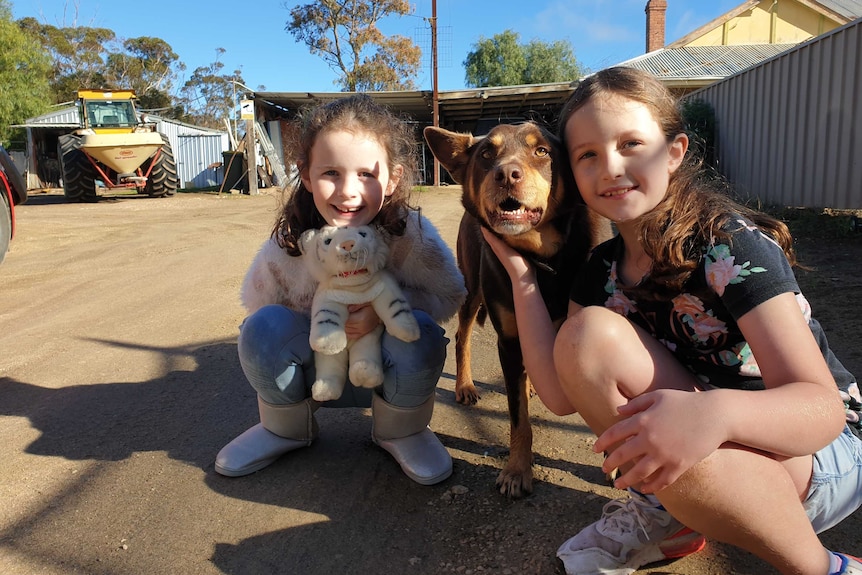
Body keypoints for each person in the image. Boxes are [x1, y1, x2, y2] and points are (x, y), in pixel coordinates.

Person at [481, 66, 862, 575]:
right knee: (586, 337)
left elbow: (822, 408)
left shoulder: (729, 245)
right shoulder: (601, 269)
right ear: (572, 178)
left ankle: (823, 567)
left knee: (672, 422)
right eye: (588, 155)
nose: (611, 166)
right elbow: (556, 394)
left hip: (820, 457)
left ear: (675, 152)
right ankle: (671, 515)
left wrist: (714, 416)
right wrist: (520, 276)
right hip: (709, 441)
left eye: (632, 143)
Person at [215, 94, 466, 486]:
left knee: (422, 332)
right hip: (316, 372)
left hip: (387, 371)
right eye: (331, 172)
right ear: (306, 173)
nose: (348, 191)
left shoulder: (411, 233)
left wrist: (378, 314)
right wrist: (324, 319)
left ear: (393, 178)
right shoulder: (293, 239)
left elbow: (451, 294)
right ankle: (284, 428)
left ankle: (402, 430)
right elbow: (258, 307)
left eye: (366, 174)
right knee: (260, 329)